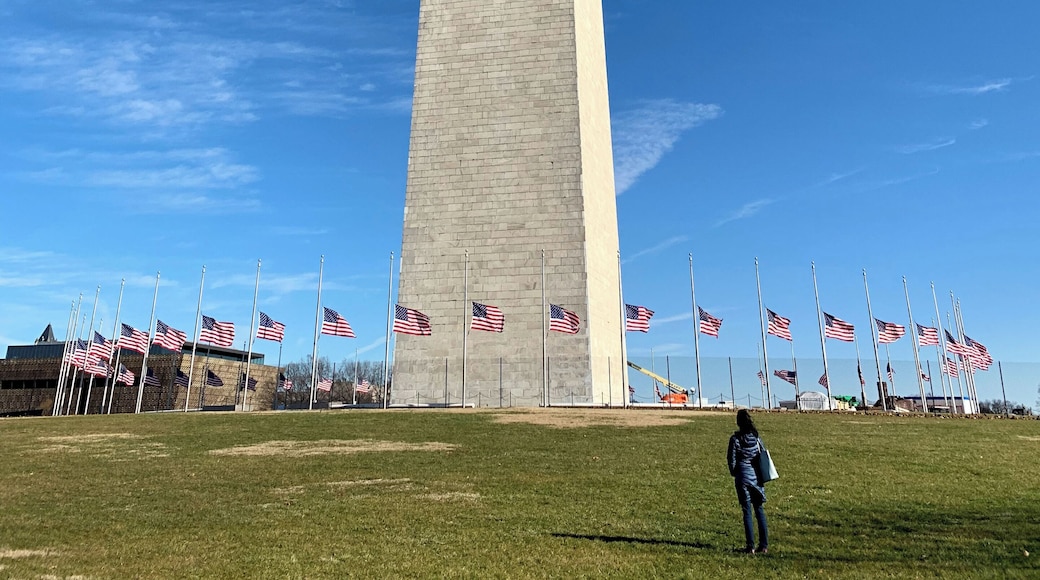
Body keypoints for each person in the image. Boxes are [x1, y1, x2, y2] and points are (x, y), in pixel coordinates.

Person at [728, 409, 768, 554]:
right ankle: (764, 545)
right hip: (757, 477)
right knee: (759, 510)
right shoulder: (757, 439)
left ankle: (750, 546)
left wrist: (735, 472)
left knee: (747, 512)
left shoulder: (735, 439)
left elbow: (731, 460)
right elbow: (763, 454)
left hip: (742, 477)